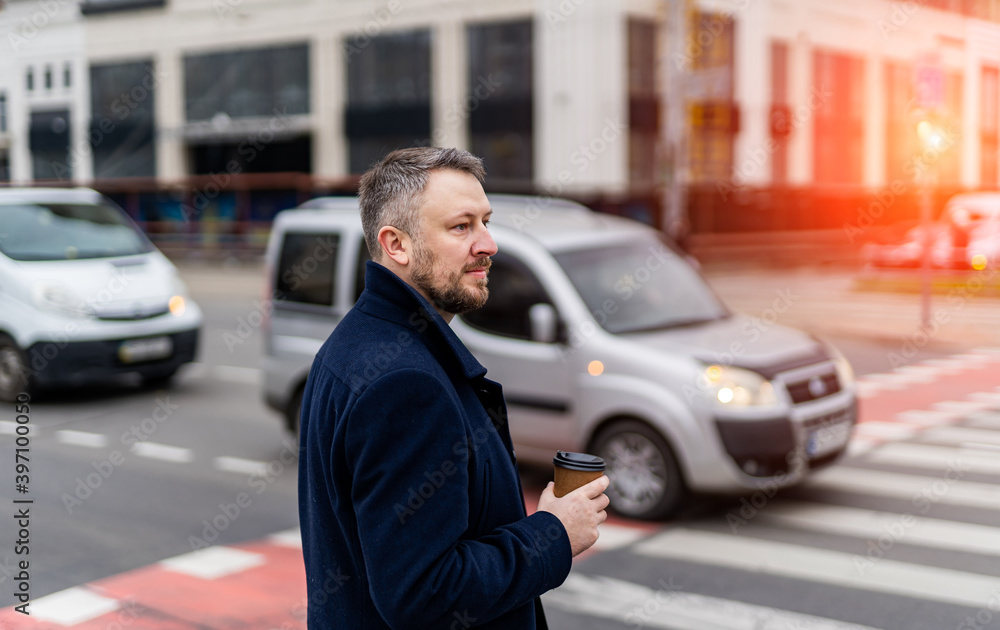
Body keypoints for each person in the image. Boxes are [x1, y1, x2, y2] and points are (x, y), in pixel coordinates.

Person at [297, 147, 610, 629]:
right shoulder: (405, 384)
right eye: (461, 226)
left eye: (486, 221)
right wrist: (554, 535)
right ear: (396, 245)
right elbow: (424, 593)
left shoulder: (354, 342)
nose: (488, 244)